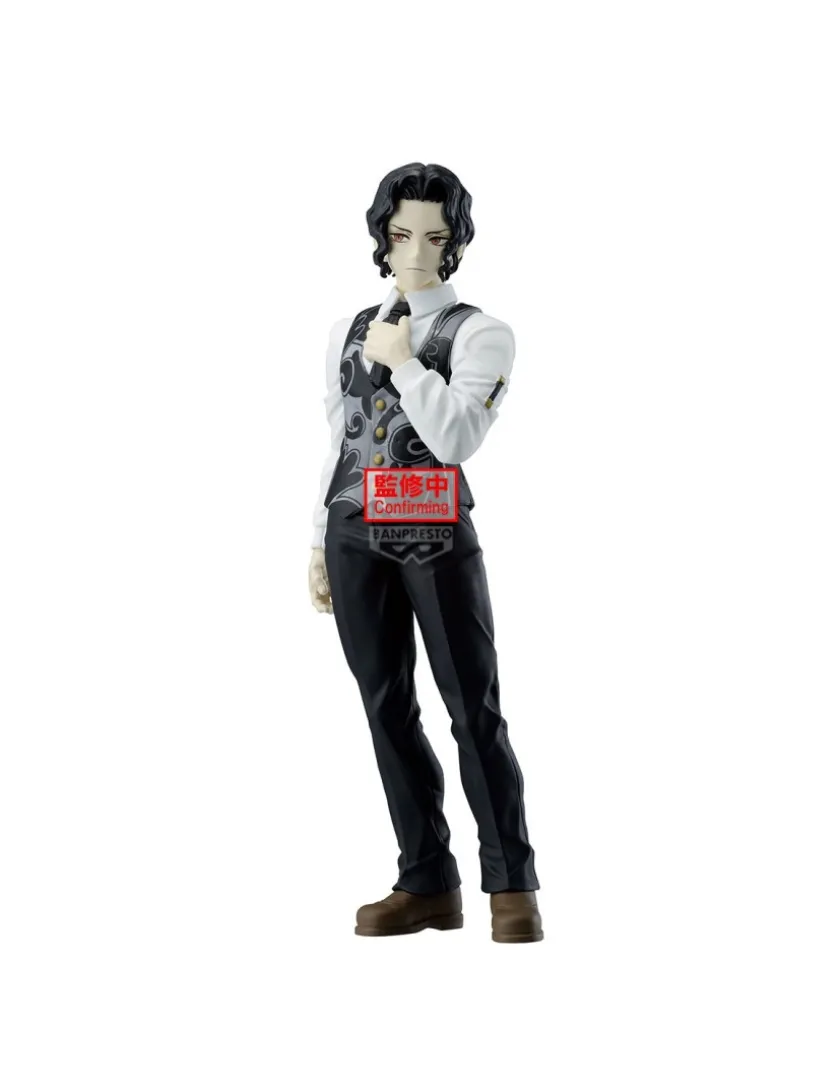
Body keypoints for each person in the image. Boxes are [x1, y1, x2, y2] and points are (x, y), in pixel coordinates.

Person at [309, 162, 542, 943]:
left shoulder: (481, 333)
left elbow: (455, 439)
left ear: (455, 243)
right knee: (386, 710)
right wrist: (317, 538)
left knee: (472, 709)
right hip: (352, 529)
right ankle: (426, 881)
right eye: (402, 234)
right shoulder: (348, 329)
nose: (415, 253)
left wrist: (406, 361)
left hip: (432, 528)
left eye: (434, 238)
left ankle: (512, 885)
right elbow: (341, 437)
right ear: (382, 235)